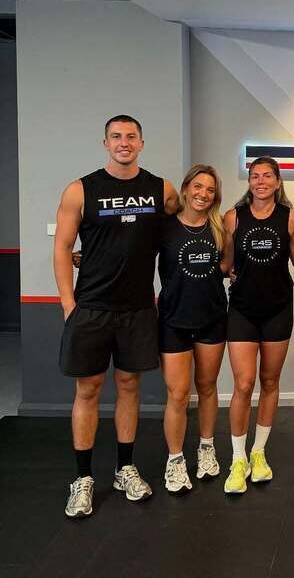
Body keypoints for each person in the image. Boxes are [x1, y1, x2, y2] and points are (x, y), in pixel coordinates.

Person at [54, 115, 178, 518]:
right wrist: (68, 304)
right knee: (88, 390)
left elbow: (185, 225)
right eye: (116, 137)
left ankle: (125, 469)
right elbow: (63, 247)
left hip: (138, 309)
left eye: (131, 136)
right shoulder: (81, 189)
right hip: (91, 308)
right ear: (105, 143)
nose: (124, 142)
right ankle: (83, 478)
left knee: (129, 386)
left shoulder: (161, 189)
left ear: (141, 143)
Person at [223, 157, 294, 493]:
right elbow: (226, 263)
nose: (260, 181)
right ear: (250, 182)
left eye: (267, 176)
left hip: (277, 310)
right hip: (242, 311)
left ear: (277, 181)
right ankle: (238, 458)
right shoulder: (233, 217)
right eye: (255, 176)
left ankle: (258, 453)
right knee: (244, 384)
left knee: (270, 381)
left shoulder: (291, 217)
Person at [158, 165, 229, 494]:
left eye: (210, 190)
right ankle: (175, 460)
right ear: (185, 189)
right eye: (198, 187)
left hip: (212, 318)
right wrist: (87, 257)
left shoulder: (219, 229)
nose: (203, 194)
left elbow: (227, 265)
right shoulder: (164, 227)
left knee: (208, 387)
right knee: (177, 394)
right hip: (173, 320)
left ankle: (206, 448)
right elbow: (129, 253)